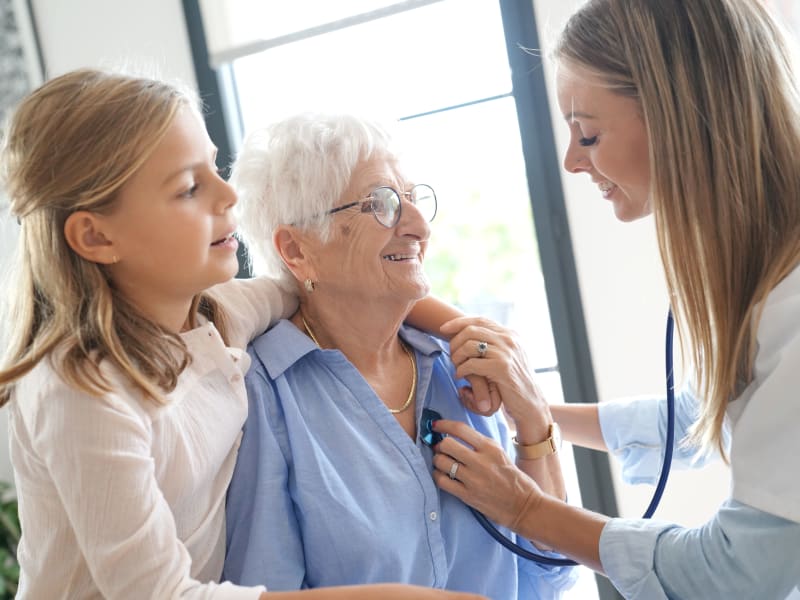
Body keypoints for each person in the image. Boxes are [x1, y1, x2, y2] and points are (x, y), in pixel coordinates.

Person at [0, 68, 484, 600]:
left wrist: (469, 331)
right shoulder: (80, 391)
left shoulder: (217, 316)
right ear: (96, 235)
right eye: (189, 187)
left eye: (214, 168)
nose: (229, 194)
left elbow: (321, 287)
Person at [426, 0, 800, 598]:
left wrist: (524, 507)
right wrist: (536, 408)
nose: (573, 160)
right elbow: (707, 415)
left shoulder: (793, 307)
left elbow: (738, 572)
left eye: (588, 133)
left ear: (678, 114)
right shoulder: (769, 275)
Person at [221, 112, 577, 599]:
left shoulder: (460, 371)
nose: (417, 226)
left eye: (413, 198)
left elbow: (546, 579)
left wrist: (534, 424)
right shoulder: (265, 398)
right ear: (297, 250)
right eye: (382, 204)